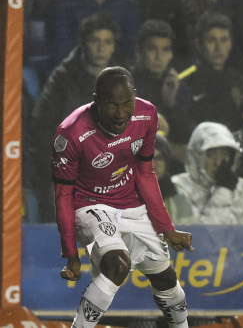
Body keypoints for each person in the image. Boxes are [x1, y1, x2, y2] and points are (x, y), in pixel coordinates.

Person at [52, 67, 193, 327]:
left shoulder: (147, 114)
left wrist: (167, 228)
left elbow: (145, 173)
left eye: (127, 103)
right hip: (89, 205)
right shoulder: (71, 132)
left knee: (165, 278)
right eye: (112, 105)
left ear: (134, 97)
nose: (121, 114)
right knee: (117, 265)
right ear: (96, 101)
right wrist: (70, 253)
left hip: (131, 204)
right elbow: (63, 196)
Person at [26, 12, 122, 223]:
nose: (101, 48)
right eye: (95, 41)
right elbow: (42, 129)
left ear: (114, 46)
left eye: (107, 42)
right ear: (84, 44)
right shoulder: (62, 79)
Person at [168, 122, 243, 225]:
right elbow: (200, 234)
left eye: (224, 154)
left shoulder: (242, 188)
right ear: (197, 156)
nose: (218, 163)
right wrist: (223, 191)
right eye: (211, 155)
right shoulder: (178, 187)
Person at [183, 11, 243, 131]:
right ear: (199, 45)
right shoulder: (188, 82)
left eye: (224, 40)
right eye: (211, 41)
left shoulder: (241, 81)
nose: (218, 48)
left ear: (231, 43)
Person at [130, 19, 195, 145]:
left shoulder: (178, 87)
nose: (159, 57)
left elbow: (187, 137)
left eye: (165, 50)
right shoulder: (124, 85)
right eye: (152, 49)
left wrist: (171, 104)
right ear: (139, 51)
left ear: (171, 54)